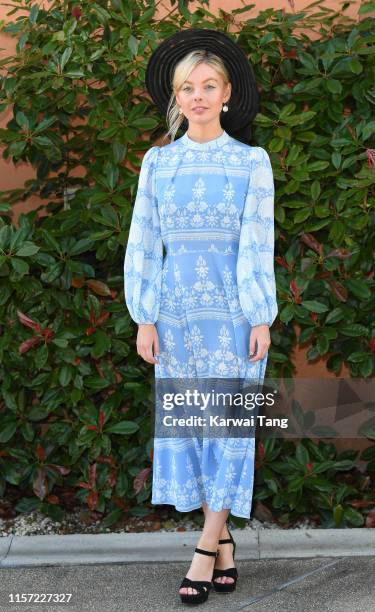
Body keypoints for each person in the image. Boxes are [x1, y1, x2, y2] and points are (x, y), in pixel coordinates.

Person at [123, 29, 278, 605]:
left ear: (228, 93)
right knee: (195, 426)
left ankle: (205, 550)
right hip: (177, 317)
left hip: (235, 318)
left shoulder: (251, 162)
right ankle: (227, 543)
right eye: (187, 87)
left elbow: (258, 242)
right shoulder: (158, 163)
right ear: (175, 96)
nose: (198, 96)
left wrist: (261, 315)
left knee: (229, 428)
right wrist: (145, 317)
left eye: (208, 85)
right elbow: (145, 242)